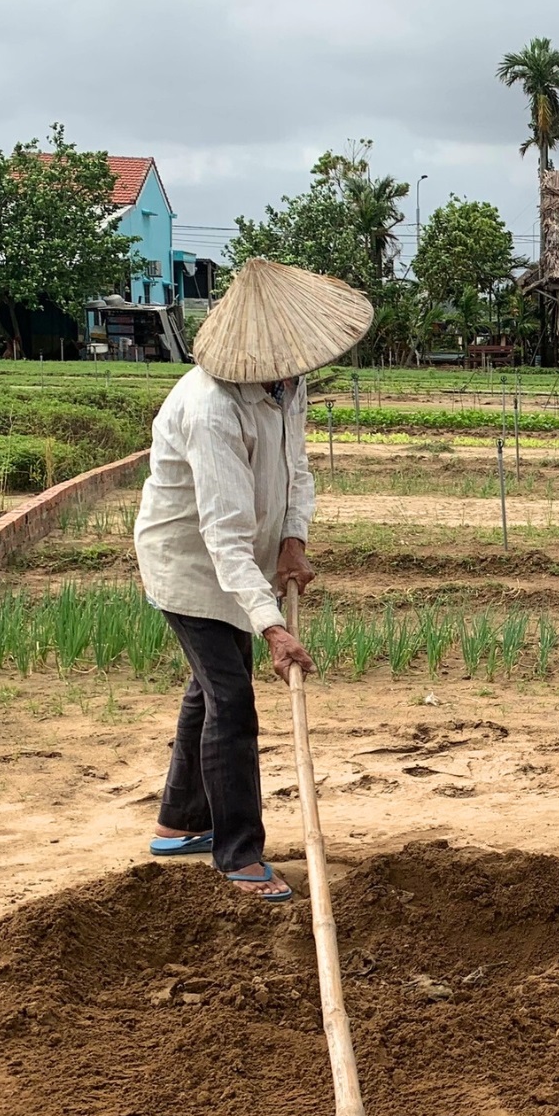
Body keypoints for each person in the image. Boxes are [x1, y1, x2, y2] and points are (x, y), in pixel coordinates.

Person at [133, 259, 372, 902]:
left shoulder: (287, 385)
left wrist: (293, 541)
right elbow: (222, 534)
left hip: (243, 562)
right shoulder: (211, 408)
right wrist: (272, 627)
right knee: (231, 698)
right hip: (191, 566)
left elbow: (296, 468)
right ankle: (237, 852)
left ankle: (178, 823)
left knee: (211, 688)